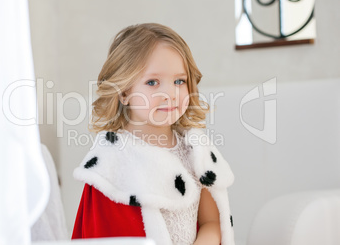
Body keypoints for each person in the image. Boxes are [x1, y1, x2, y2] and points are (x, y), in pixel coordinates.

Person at [71, 23, 235, 245]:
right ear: (123, 92)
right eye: (152, 82)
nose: (170, 93)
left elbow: (211, 222)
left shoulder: (195, 149)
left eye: (179, 81)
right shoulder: (111, 165)